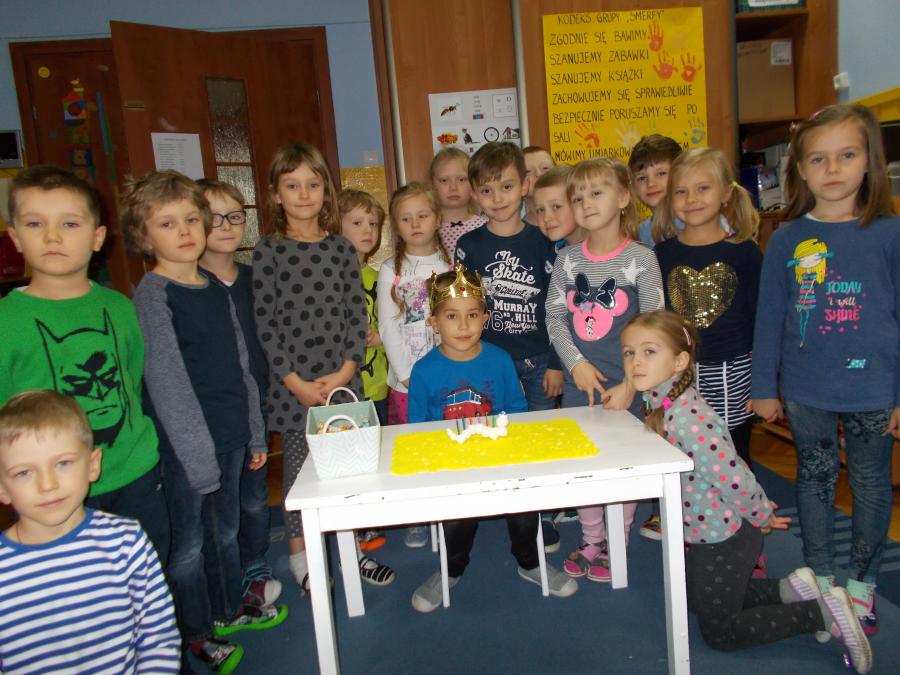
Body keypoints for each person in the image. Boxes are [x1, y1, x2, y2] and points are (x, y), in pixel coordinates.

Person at [622, 310, 872, 673]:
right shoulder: (661, 401)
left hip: (723, 537)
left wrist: (760, 513)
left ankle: (820, 613)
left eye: (649, 351)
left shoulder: (686, 417)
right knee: (695, 596)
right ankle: (791, 590)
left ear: (679, 361)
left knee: (721, 633)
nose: (636, 362)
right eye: (629, 353)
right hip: (705, 531)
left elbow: (731, 473)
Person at [125, 170, 285, 672]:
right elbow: (167, 382)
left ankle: (226, 609)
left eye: (192, 219)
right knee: (190, 545)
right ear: (144, 236)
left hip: (232, 433)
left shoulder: (214, 287)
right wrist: (198, 461)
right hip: (187, 447)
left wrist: (255, 433)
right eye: (167, 223)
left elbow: (242, 366)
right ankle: (194, 633)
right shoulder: (153, 294)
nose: (185, 231)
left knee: (226, 530)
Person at [750, 104, 900, 636]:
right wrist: (764, 387)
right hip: (806, 387)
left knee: (870, 481)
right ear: (800, 169)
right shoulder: (786, 238)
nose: (833, 168)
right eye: (819, 158)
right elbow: (770, 317)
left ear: (869, 161)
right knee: (814, 478)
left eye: (847, 155)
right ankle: (819, 580)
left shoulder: (889, 233)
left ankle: (861, 587)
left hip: (875, 386)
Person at [0, 165, 169, 561]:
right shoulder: (7, 322)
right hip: (51, 490)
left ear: (97, 237)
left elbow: (131, 380)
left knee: (149, 567)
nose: (52, 236)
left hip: (134, 471)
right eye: (35, 223)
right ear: (15, 237)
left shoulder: (120, 307)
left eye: (70, 223)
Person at [407, 263, 577, 613]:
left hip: (499, 456)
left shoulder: (500, 360)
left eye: (472, 315)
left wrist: (504, 445)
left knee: (525, 503)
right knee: (456, 516)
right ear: (433, 322)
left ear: (485, 318)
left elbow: (515, 408)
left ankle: (530, 562)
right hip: (451, 463)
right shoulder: (422, 371)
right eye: (451, 316)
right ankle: (450, 570)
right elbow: (417, 429)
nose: (463, 326)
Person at [251, 144, 370, 592]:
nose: (303, 194)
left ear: (326, 191)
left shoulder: (341, 248)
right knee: (301, 475)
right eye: (292, 185)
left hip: (342, 380)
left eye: (313, 184)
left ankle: (353, 549)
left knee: (349, 467)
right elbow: (265, 323)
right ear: (275, 194)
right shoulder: (269, 251)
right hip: (293, 387)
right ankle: (302, 556)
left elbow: (356, 315)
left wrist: (346, 370)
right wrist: (294, 382)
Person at [0, 390, 180, 674]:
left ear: (93, 465)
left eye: (63, 463)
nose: (48, 485)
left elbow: (158, 636)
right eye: (24, 472)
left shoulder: (126, 543)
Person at [545, 158, 663, 583]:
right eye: (578, 198)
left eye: (596, 193)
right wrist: (575, 364)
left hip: (628, 387)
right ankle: (592, 538)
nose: (586, 203)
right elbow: (555, 317)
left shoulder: (641, 259)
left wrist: (633, 384)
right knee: (585, 462)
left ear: (624, 197)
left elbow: (655, 327)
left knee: (622, 465)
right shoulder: (567, 260)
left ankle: (617, 538)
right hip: (583, 384)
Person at [197, 178, 282, 608]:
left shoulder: (255, 279)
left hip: (257, 404)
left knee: (253, 496)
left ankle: (255, 563)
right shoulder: (188, 284)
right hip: (213, 414)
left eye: (234, 215)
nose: (227, 225)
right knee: (220, 507)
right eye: (213, 217)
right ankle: (223, 582)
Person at [653, 147, 761, 467]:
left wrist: (764, 382)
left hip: (733, 370)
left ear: (726, 193)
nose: (692, 199)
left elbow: (760, 318)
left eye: (703, 188)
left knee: (733, 453)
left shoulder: (744, 252)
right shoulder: (661, 254)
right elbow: (657, 319)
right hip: (679, 371)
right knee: (682, 448)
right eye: (681, 191)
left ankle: (738, 500)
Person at [456, 142, 564, 414]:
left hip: (541, 359)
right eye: (486, 191)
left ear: (525, 186)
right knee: (496, 429)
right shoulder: (468, 246)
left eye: (506, 186)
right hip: (488, 358)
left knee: (541, 429)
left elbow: (558, 307)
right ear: (474, 194)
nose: (497, 199)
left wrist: (556, 363)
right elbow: (463, 307)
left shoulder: (545, 242)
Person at [377, 182, 451, 548]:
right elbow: (387, 326)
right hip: (406, 379)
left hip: (446, 374)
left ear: (437, 219)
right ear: (396, 225)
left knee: (444, 442)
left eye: (422, 215)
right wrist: (406, 374)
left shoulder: (450, 266)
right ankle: (417, 515)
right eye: (406, 218)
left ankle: (447, 504)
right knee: (412, 446)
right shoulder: (390, 270)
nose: (415, 224)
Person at [628, 134, 682, 247]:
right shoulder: (638, 236)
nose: (651, 184)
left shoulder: (699, 222)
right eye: (642, 178)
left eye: (661, 173)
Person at [430, 147, 486, 254]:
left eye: (461, 179)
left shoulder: (485, 228)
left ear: (473, 183)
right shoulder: (426, 230)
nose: (453, 187)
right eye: (444, 180)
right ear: (432, 184)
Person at [533, 164, 583, 251]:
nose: (546, 218)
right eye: (540, 210)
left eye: (556, 206)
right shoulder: (553, 250)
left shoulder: (600, 251)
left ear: (579, 204)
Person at [522, 144, 555, 225]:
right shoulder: (519, 231)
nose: (538, 174)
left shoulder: (577, 220)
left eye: (545, 168)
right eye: (528, 171)